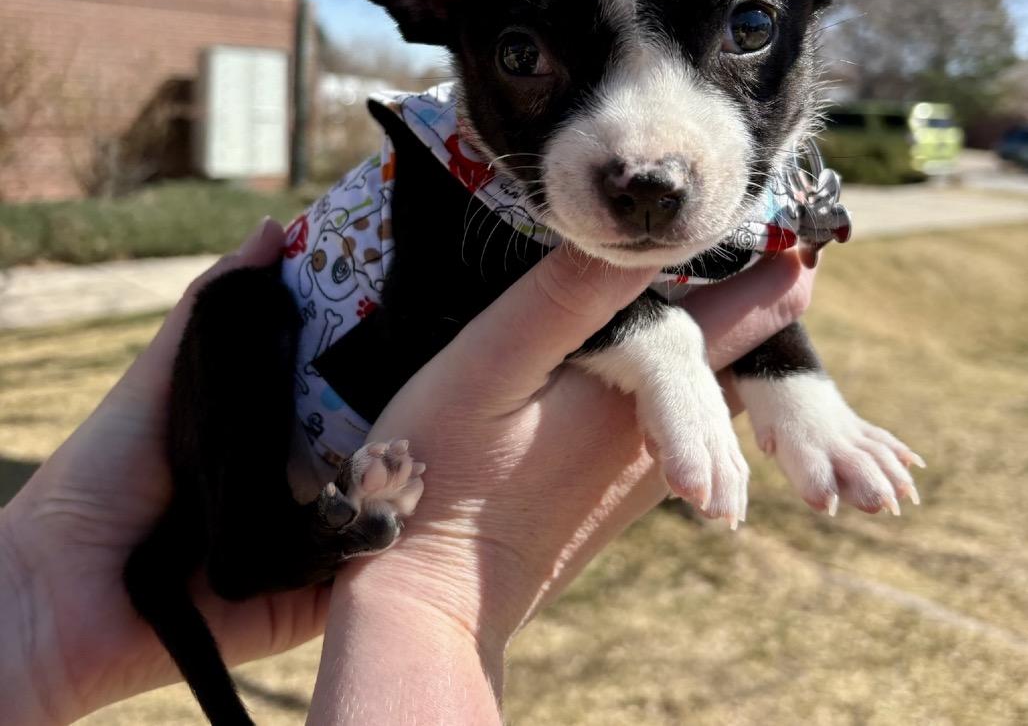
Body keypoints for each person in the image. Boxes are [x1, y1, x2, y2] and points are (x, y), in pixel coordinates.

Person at [0, 218, 813, 725]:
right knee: (236, 308)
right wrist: (436, 597)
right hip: (257, 485)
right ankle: (274, 539)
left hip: (241, 509)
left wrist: (39, 589)